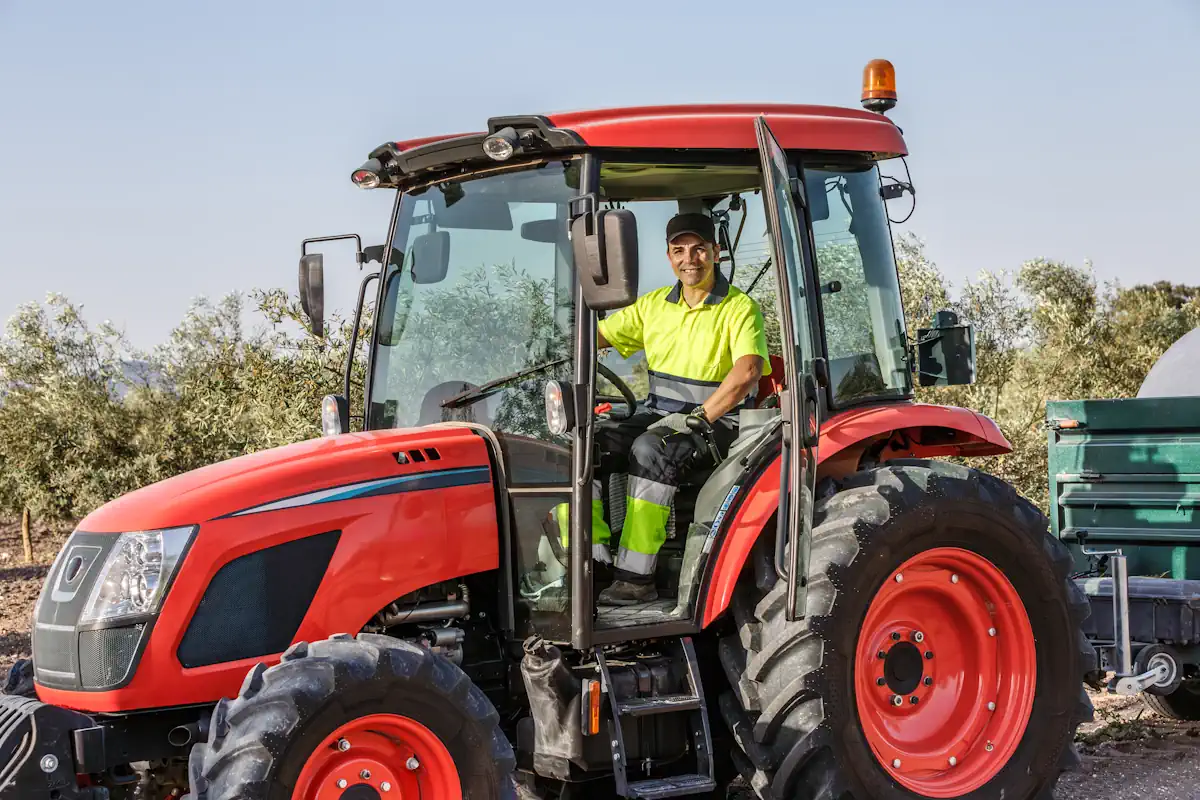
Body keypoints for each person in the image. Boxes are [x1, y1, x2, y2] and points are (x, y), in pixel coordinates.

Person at [568, 211, 771, 605]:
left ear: (716, 252)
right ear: (669, 257)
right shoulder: (654, 306)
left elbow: (747, 371)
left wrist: (699, 418)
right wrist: (566, 337)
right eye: (679, 251)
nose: (689, 259)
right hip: (660, 412)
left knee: (651, 448)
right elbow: (596, 337)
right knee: (588, 440)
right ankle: (591, 559)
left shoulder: (738, 308)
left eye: (698, 250)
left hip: (717, 421)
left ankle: (635, 579)